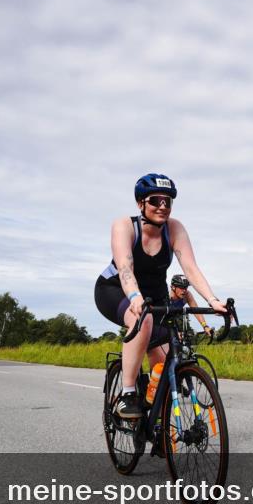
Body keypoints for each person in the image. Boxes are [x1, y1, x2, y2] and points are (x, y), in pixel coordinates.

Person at [94, 173, 226, 419]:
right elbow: (124, 267)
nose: (163, 206)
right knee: (141, 320)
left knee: (165, 363)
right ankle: (128, 394)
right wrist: (134, 296)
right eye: (156, 200)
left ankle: (158, 424)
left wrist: (212, 300)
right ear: (140, 203)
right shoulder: (124, 225)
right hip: (114, 289)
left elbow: (190, 268)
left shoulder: (174, 228)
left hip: (154, 298)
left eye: (168, 201)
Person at [169, 273, 215, 339]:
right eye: (181, 287)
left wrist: (205, 326)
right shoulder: (168, 296)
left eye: (185, 287)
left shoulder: (187, 295)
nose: (184, 290)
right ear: (173, 287)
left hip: (173, 318)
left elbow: (196, 311)